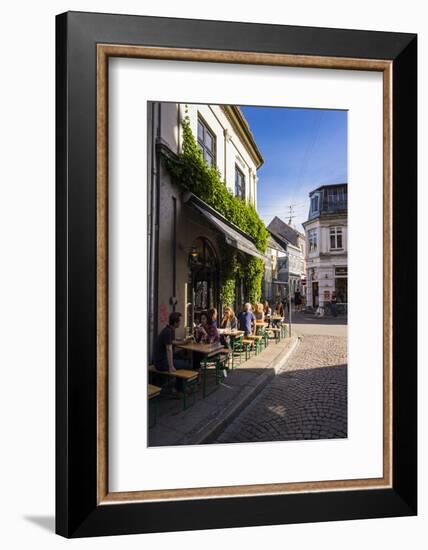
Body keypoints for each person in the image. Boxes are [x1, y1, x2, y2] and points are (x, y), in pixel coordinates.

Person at [152, 312, 192, 392]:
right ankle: (180, 387)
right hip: (161, 363)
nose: (181, 323)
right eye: (180, 321)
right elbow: (169, 349)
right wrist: (171, 366)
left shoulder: (169, 329)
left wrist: (183, 343)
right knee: (187, 365)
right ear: (175, 323)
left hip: (162, 360)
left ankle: (178, 385)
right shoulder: (168, 332)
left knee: (181, 355)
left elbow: (172, 342)